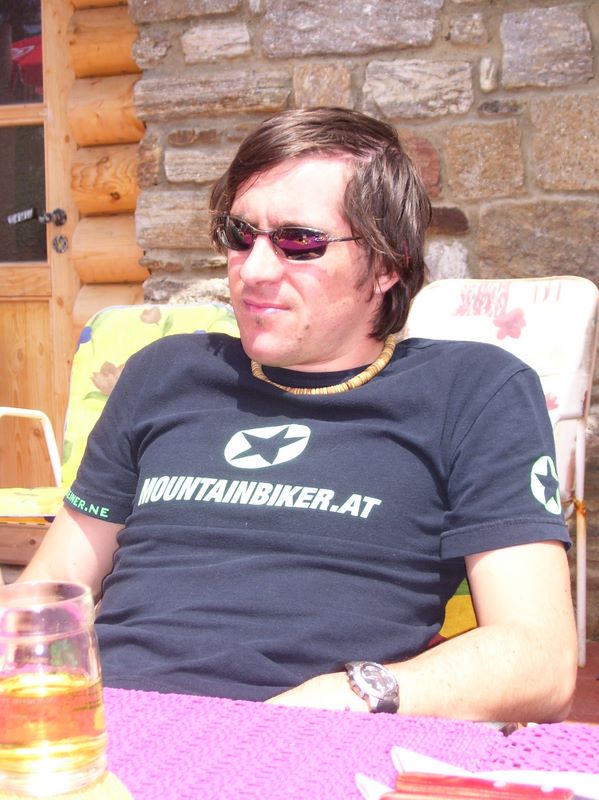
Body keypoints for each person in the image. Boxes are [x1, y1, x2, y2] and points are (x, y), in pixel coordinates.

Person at [20, 107, 577, 722]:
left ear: (388, 263)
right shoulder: (163, 373)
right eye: (240, 235)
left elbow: (539, 657)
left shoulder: (471, 392)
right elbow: (52, 587)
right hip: (104, 724)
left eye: (299, 242)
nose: (254, 270)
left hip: (319, 737)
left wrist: (350, 698)